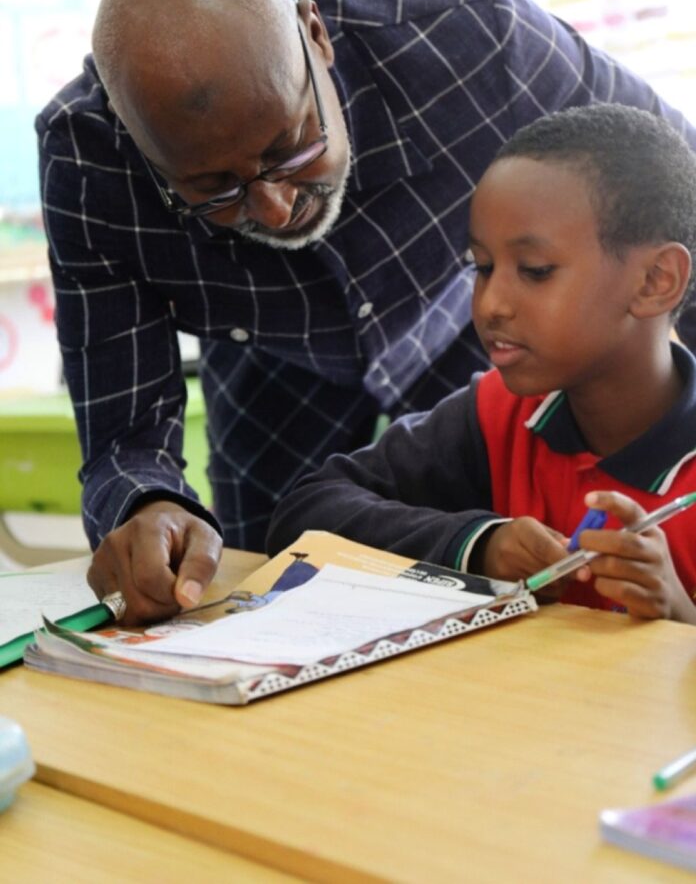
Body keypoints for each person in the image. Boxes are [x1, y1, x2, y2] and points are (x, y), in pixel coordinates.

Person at [37, 0, 696, 625]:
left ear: (316, 35)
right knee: (267, 594)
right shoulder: (88, 160)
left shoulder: (469, 31)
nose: (275, 208)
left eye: (291, 146)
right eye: (214, 189)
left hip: (471, 342)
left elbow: (675, 201)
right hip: (275, 364)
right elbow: (128, 436)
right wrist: (147, 509)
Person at [268, 104, 696, 623]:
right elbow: (306, 513)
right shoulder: (500, 416)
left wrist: (680, 614)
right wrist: (477, 544)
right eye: (483, 267)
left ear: (655, 281)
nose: (490, 304)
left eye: (535, 271)